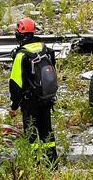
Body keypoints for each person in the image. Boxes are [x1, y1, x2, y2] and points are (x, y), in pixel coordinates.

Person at [9, 17, 58, 163]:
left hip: (29, 101)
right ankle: (52, 163)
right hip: (46, 98)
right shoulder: (46, 50)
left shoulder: (21, 55)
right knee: (47, 131)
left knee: (31, 133)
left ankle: (35, 165)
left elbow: (15, 83)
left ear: (20, 34)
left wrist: (14, 105)